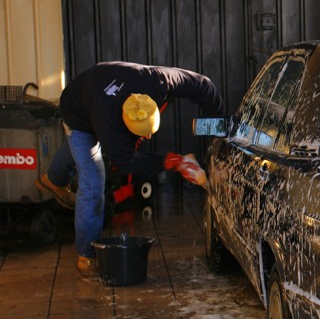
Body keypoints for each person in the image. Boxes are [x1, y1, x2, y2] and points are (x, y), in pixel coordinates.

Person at [35, 61, 224, 277]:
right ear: (125, 126)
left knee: (78, 151)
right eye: (143, 134)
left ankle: (52, 179)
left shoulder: (160, 80)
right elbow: (130, 163)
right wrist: (174, 162)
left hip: (98, 86)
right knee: (93, 181)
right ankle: (86, 255)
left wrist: (218, 128)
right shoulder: (112, 134)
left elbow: (204, 85)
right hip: (76, 109)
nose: (149, 137)